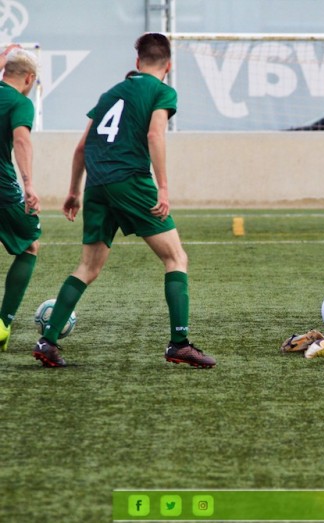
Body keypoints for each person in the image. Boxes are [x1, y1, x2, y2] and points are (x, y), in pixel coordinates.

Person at [32, 33, 215, 368]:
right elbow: (155, 134)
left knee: (88, 267)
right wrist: (162, 187)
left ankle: (48, 340)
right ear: (168, 66)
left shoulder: (110, 93)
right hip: (131, 180)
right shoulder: (162, 91)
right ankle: (179, 343)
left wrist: (73, 191)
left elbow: (80, 146)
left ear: (136, 62)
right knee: (176, 258)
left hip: (97, 186)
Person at [0, 46, 40, 351]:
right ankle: (2, 324)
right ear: (29, 79)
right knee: (28, 245)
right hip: (2, 188)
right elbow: (22, 139)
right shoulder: (20, 103)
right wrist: (28, 184)